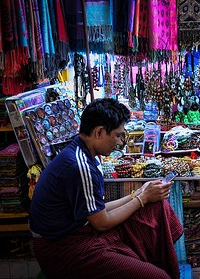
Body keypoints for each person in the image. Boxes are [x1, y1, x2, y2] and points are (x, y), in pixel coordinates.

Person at [29, 98, 183, 279]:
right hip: (63, 248)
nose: (119, 142)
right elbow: (101, 222)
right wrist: (142, 198)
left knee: (157, 208)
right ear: (99, 132)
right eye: (117, 135)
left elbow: (98, 210)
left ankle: (152, 264)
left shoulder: (87, 154)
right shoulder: (79, 165)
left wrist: (140, 193)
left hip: (82, 230)